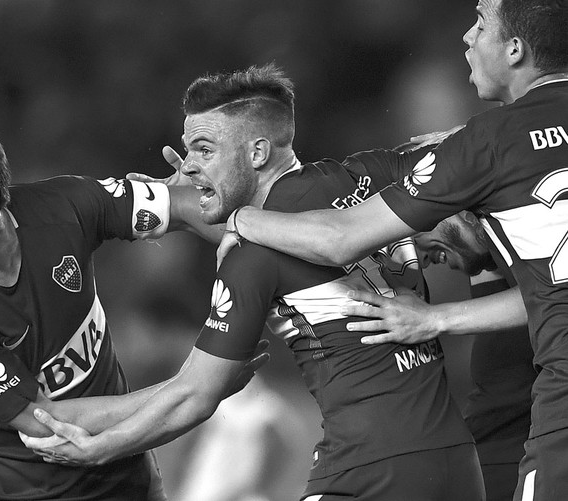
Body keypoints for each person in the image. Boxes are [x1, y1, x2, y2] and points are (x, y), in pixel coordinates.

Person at [21, 64, 485, 501]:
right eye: (189, 152)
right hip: (458, 464)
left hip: (370, 471)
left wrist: (105, 448)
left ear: (258, 152)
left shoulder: (251, 253)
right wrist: (191, 204)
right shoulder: (373, 176)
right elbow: (463, 153)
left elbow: (194, 396)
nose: (192, 165)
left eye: (205, 150)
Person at [214, 1, 568, 499]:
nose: (467, 37)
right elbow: (551, 290)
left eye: (482, 24)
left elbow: (340, 238)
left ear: (515, 49)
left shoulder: (486, 142)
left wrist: (239, 216)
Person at [0, 108, 265, 500]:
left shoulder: (66, 207)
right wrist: (193, 387)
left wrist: (268, 261)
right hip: (11, 492)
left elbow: (189, 208)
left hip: (126, 484)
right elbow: (46, 420)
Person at [343, 209, 536, 501]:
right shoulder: (487, 250)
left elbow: (554, 297)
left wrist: (434, 318)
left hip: (533, 443)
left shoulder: (535, 222)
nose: (420, 258)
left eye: (415, 232)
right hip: (492, 442)